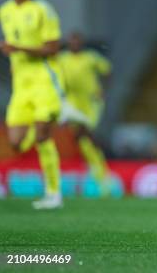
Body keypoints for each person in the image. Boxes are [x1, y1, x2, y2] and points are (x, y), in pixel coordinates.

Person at [0, 0, 63, 209]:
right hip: (21, 85)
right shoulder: (4, 11)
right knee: (15, 141)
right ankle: (41, 134)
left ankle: (53, 193)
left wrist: (19, 49)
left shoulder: (42, 10)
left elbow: (53, 47)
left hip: (45, 81)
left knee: (43, 135)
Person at [57, 32, 112, 194]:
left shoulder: (91, 57)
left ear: (81, 43)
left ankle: (101, 161)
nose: (74, 44)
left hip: (91, 102)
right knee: (82, 139)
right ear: (68, 43)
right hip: (72, 101)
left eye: (77, 41)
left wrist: (103, 90)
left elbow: (108, 71)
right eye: (71, 41)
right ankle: (99, 169)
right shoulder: (62, 58)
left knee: (84, 131)